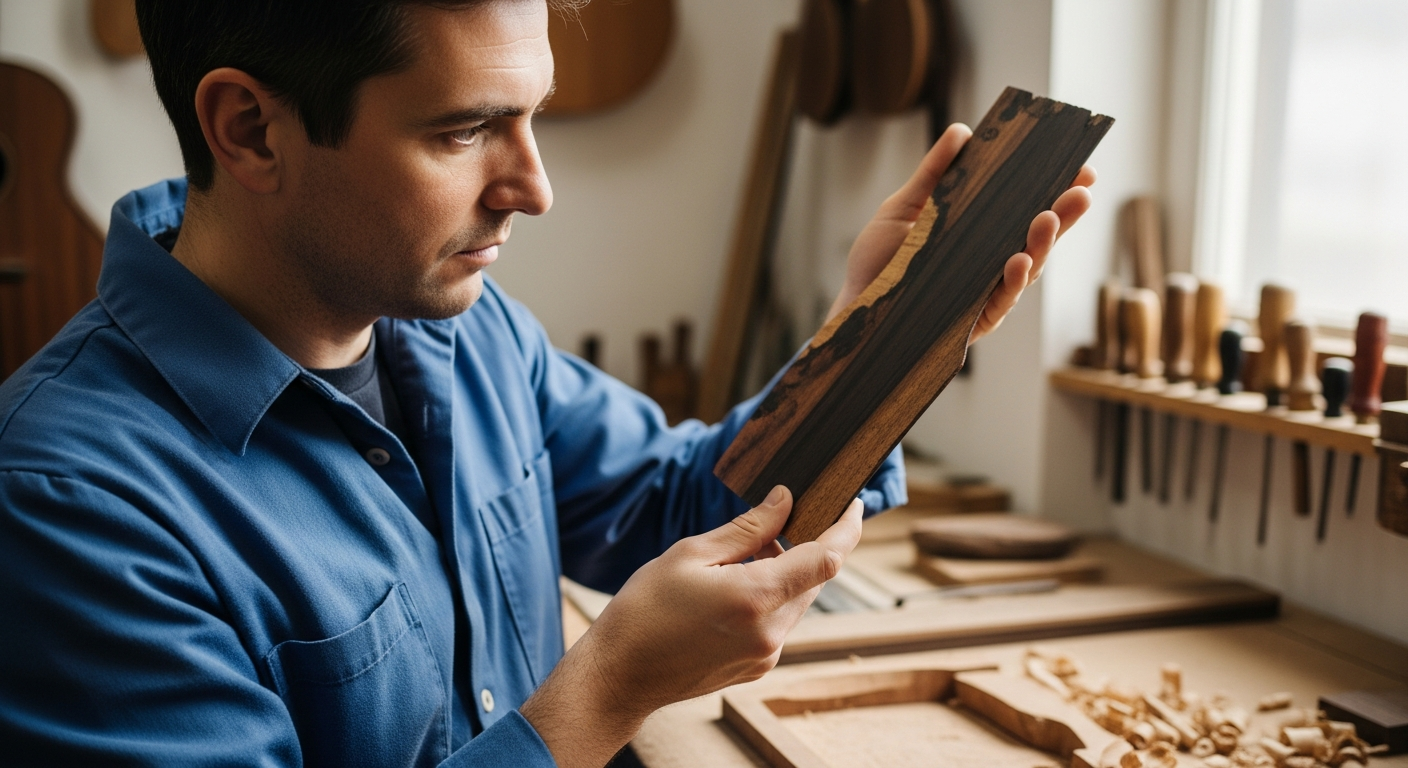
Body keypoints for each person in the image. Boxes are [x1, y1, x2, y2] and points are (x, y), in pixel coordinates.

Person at [0, 1, 1094, 765]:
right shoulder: (67, 509)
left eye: (532, 117)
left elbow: (689, 504)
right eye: (466, 129)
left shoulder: (468, 342)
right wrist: (606, 690)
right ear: (249, 129)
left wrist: (888, 325)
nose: (534, 187)